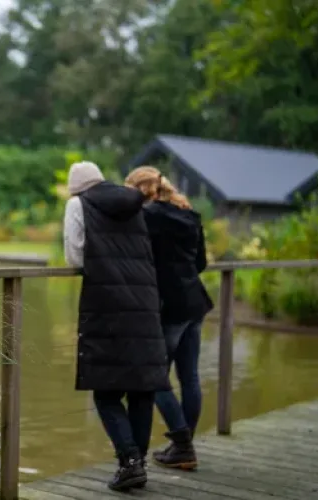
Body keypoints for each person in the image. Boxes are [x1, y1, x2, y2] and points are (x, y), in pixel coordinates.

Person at [63, 161, 169, 491]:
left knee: (106, 391)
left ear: (76, 188)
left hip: (107, 303)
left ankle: (130, 461)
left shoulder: (77, 204)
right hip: (145, 302)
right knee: (141, 389)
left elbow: (74, 257)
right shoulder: (134, 202)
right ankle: (137, 464)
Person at [125, 166, 213, 470]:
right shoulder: (190, 214)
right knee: (190, 377)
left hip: (168, 306)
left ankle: (183, 445)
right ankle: (183, 447)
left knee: (154, 377)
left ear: (139, 190)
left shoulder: (146, 216)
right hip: (195, 302)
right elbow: (201, 262)